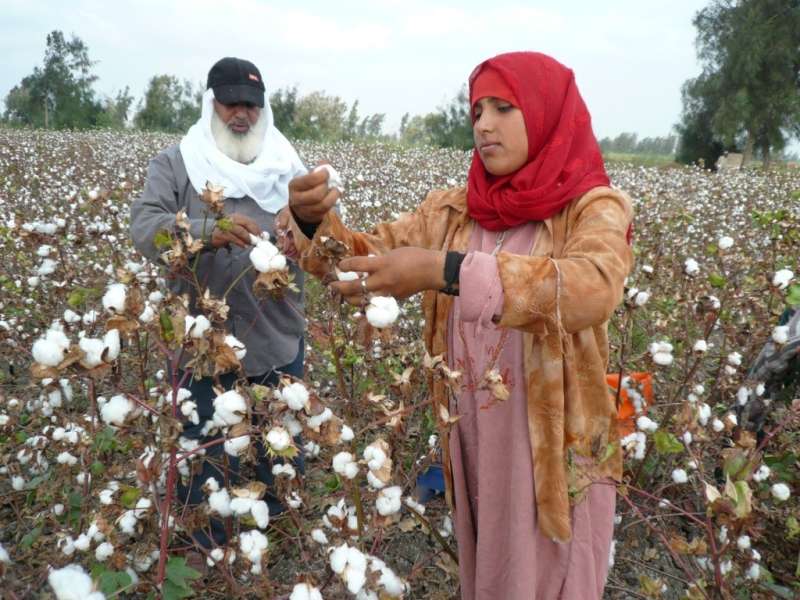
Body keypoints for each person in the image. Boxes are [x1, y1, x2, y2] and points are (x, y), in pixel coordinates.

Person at [284, 52, 634, 599]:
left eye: (503, 107)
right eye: (476, 111)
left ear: (546, 114)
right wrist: (312, 222)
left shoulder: (591, 208)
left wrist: (442, 271)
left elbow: (590, 288)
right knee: (491, 573)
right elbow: (360, 258)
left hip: (551, 448)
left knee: (547, 576)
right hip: (471, 437)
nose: (484, 125)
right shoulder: (451, 212)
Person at [130, 57, 308, 548]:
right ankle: (207, 539)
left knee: (278, 442)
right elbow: (145, 229)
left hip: (277, 334)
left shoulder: (291, 169)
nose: (242, 114)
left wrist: (307, 238)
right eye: (232, 102)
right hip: (202, 339)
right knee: (208, 451)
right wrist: (211, 231)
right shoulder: (177, 163)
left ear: (262, 109)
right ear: (212, 104)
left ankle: (272, 528)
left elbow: (324, 237)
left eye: (251, 104)